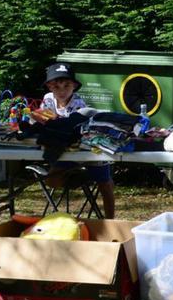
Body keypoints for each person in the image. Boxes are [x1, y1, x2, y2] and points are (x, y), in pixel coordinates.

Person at [41, 63, 116, 219]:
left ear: (74, 86)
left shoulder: (79, 104)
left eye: (66, 85)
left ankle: (110, 220)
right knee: (50, 180)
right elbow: (43, 121)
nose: (62, 91)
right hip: (63, 148)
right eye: (56, 86)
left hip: (85, 148)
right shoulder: (47, 100)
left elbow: (73, 128)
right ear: (49, 86)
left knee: (105, 183)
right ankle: (74, 176)